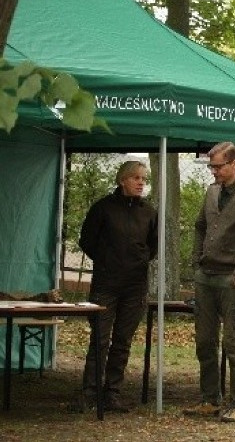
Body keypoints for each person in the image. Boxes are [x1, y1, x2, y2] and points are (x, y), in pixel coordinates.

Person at [183, 142, 235, 423]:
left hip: (233, 278)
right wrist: (196, 260)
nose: (214, 171)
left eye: (218, 166)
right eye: (212, 166)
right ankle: (210, 399)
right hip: (205, 276)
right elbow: (199, 226)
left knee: (233, 341)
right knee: (204, 341)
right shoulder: (211, 191)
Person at [70, 160, 157, 413]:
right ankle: (90, 393)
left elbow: (153, 246)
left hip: (135, 286)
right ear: (123, 180)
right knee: (100, 339)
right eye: (137, 178)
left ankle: (113, 393)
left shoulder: (149, 212)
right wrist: (107, 259)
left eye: (144, 179)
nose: (141, 183)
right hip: (106, 284)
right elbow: (87, 240)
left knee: (123, 341)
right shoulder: (103, 208)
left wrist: (139, 260)